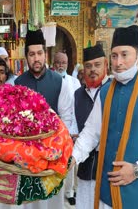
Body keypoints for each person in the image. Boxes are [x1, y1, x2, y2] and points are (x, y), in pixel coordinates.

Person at [70, 25, 138, 209]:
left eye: (125, 55)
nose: (118, 62)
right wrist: (71, 159)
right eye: (114, 55)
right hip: (107, 193)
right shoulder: (105, 92)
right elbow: (91, 134)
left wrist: (137, 169)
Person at [14, 29, 75, 209]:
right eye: (32, 54)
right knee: (29, 202)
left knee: (52, 200)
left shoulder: (59, 82)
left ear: (45, 54)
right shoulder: (18, 84)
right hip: (26, 155)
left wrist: (59, 146)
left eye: (40, 53)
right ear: (26, 57)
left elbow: (65, 117)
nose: (36, 58)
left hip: (52, 154)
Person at [74, 44, 108, 209]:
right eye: (88, 66)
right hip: (85, 168)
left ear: (106, 65)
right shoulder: (78, 94)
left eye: (97, 65)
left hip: (108, 170)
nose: (92, 69)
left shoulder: (112, 91)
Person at [53, 51, 80, 205]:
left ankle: (70, 191)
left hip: (70, 128)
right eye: (58, 62)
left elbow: (76, 108)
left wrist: (74, 129)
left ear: (68, 64)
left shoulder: (74, 82)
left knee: (70, 161)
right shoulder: (50, 81)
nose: (61, 65)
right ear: (53, 64)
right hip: (54, 129)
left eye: (63, 62)